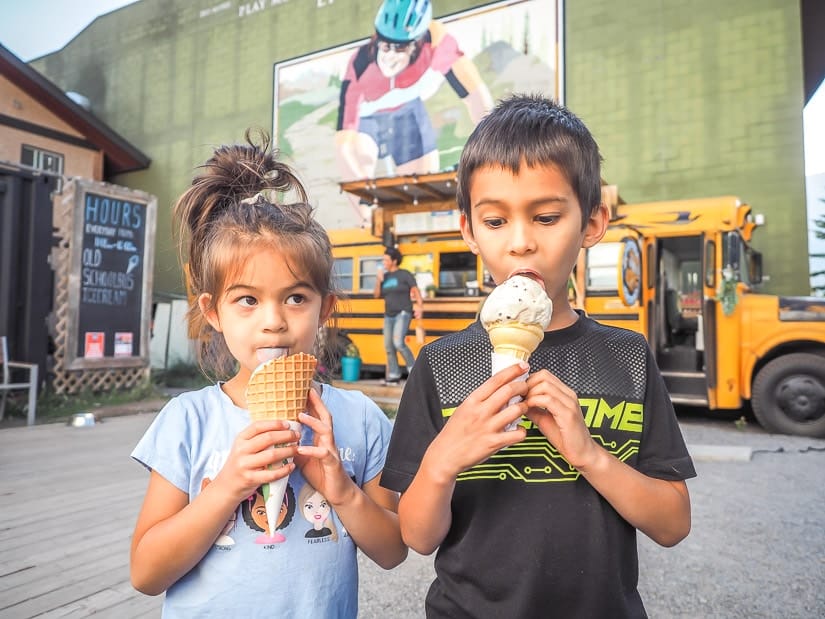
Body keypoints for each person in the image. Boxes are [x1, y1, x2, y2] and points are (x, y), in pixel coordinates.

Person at [380, 94, 696, 618]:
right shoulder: (441, 364)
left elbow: (672, 524)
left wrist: (590, 455)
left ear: (592, 223)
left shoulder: (628, 356)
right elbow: (416, 536)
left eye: (546, 217)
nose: (521, 243)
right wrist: (444, 460)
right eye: (496, 222)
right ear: (469, 231)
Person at [129, 130, 406, 617]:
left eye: (296, 297)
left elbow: (392, 550)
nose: (274, 320)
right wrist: (231, 485)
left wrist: (340, 489)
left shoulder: (359, 418)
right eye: (248, 300)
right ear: (214, 312)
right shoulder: (188, 420)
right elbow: (147, 573)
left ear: (326, 309)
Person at [335, 0, 493, 223]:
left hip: (408, 111)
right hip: (368, 117)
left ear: (417, 43)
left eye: (399, 47)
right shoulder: (360, 62)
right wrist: (363, 201)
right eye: (385, 45)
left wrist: (491, 149)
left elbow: (478, 99)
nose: (389, 55)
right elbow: (344, 144)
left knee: (420, 185)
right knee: (360, 161)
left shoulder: (437, 42)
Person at [373, 246, 423, 385]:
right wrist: (378, 279)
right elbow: (376, 295)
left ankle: (414, 371)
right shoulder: (385, 277)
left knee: (398, 343)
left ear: (394, 261)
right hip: (389, 315)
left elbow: (415, 291)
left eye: (386, 260)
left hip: (403, 313)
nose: (384, 262)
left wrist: (419, 306)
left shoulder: (404, 274)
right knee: (389, 346)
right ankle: (394, 376)